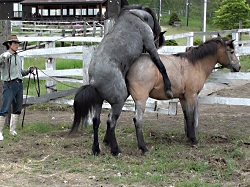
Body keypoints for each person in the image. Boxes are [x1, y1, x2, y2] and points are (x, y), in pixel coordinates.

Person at [0, 35, 34, 140]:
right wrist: (4, 57)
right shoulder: (4, 56)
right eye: (14, 43)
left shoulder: (18, 57)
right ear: (9, 44)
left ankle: (12, 130)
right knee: (5, 108)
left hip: (19, 84)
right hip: (9, 84)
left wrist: (28, 71)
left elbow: (20, 72)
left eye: (17, 43)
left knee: (18, 107)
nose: (16, 45)